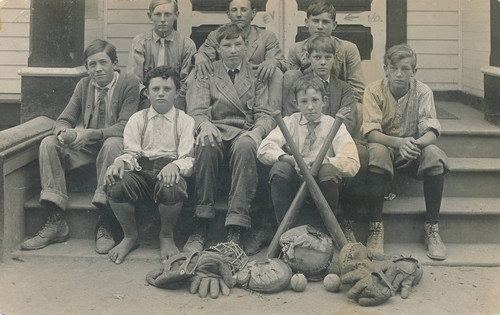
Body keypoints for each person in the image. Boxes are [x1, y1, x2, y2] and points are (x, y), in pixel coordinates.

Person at [21, 39, 140, 254]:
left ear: (115, 63)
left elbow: (126, 126)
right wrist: (63, 133)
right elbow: (63, 119)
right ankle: (56, 218)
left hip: (115, 146)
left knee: (112, 144)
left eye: (103, 62)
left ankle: (105, 220)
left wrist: (92, 133)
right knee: (49, 143)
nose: (98, 69)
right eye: (92, 65)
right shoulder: (84, 85)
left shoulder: (129, 83)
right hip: (87, 147)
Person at [185, 23, 282, 252]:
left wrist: (257, 131)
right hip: (215, 128)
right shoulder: (206, 71)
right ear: (218, 49)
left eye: (238, 44)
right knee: (206, 143)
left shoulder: (257, 74)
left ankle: (236, 227)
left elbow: (265, 113)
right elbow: (197, 110)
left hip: (244, 131)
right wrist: (205, 124)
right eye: (227, 45)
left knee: (247, 145)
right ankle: (202, 220)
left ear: (246, 47)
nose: (233, 50)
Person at [362, 44, 449, 260]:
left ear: (414, 72)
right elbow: (371, 132)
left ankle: (432, 228)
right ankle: (375, 227)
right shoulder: (373, 90)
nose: (399, 74)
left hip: (412, 150)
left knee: (435, 154)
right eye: (394, 68)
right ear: (386, 68)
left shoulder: (422, 91)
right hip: (387, 148)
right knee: (378, 151)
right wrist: (398, 142)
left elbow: (431, 130)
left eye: (405, 69)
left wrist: (416, 145)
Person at [105, 66, 195, 264]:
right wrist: (120, 162)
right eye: (155, 89)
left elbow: (188, 158)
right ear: (147, 92)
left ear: (177, 92)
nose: (161, 94)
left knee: (172, 185)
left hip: (169, 173)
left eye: (167, 89)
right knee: (115, 182)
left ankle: (166, 236)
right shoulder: (137, 119)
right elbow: (130, 152)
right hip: (142, 173)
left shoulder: (185, 121)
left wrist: (176, 166)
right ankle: (130, 236)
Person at [282, 35, 367, 242]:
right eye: (317, 57)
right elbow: (296, 117)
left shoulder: (344, 88)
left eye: (327, 57)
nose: (322, 62)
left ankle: (345, 219)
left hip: (333, 143)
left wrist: (325, 151)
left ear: (334, 59)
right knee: (280, 167)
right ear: (308, 58)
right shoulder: (298, 84)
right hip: (302, 145)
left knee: (360, 154)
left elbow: (345, 122)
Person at [257, 75, 360, 235]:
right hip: (295, 189)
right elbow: (264, 149)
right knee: (280, 168)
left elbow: (352, 162)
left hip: (323, 189)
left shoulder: (333, 124)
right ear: (296, 103)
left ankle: (323, 235)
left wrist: (324, 161)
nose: (310, 107)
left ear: (324, 101)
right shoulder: (290, 122)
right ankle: (285, 235)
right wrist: (291, 160)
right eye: (304, 101)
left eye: (315, 100)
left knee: (328, 170)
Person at [286, 0, 365, 103]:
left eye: (325, 22)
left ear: (334, 25)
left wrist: (338, 107)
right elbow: (291, 85)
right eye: (315, 21)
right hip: (308, 104)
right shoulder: (296, 49)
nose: (320, 27)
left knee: (358, 109)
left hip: (340, 103)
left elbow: (357, 88)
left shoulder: (348, 48)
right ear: (306, 22)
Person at [127, 0, 196, 111]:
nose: (163, 20)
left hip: (175, 98)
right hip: (147, 97)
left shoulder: (187, 45)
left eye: (167, 14)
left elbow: (186, 82)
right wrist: (150, 95)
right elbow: (134, 79)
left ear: (176, 15)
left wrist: (171, 95)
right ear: (150, 16)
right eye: (158, 14)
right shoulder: (140, 42)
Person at [193, 0, 285, 82]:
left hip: (256, 85)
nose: (239, 15)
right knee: (197, 70)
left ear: (253, 13)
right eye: (234, 10)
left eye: (244, 10)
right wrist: (199, 55)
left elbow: (284, 64)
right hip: (225, 87)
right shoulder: (216, 35)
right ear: (228, 14)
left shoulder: (266, 37)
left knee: (276, 73)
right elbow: (204, 53)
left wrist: (274, 61)